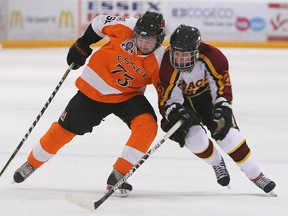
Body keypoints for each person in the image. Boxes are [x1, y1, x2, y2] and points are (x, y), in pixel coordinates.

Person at [13, 11, 166, 196]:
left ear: (159, 39)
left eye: (150, 40)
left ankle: (120, 173)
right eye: (141, 37)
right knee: (64, 129)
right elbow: (100, 21)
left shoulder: (160, 60)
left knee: (147, 125)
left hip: (128, 96)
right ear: (136, 31)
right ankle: (31, 163)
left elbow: (164, 92)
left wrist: (170, 111)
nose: (144, 43)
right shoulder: (126, 26)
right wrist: (84, 43)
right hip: (93, 91)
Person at [157, 24, 276, 195]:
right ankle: (216, 163)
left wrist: (223, 106)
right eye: (177, 53)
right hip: (183, 104)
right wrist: (173, 111)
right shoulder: (166, 63)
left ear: (196, 50)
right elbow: (167, 98)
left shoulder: (213, 57)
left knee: (228, 136)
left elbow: (220, 87)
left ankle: (256, 175)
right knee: (194, 139)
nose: (180, 59)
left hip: (207, 99)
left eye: (185, 54)